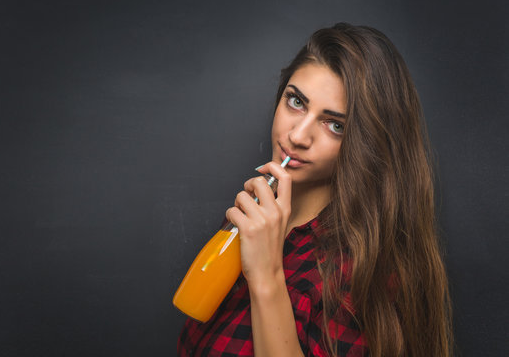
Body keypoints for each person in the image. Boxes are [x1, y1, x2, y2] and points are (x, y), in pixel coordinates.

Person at [177, 22, 453, 357]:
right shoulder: (253, 222)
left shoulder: (359, 273)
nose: (297, 136)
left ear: (368, 143)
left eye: (335, 124)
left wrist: (267, 277)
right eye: (295, 101)